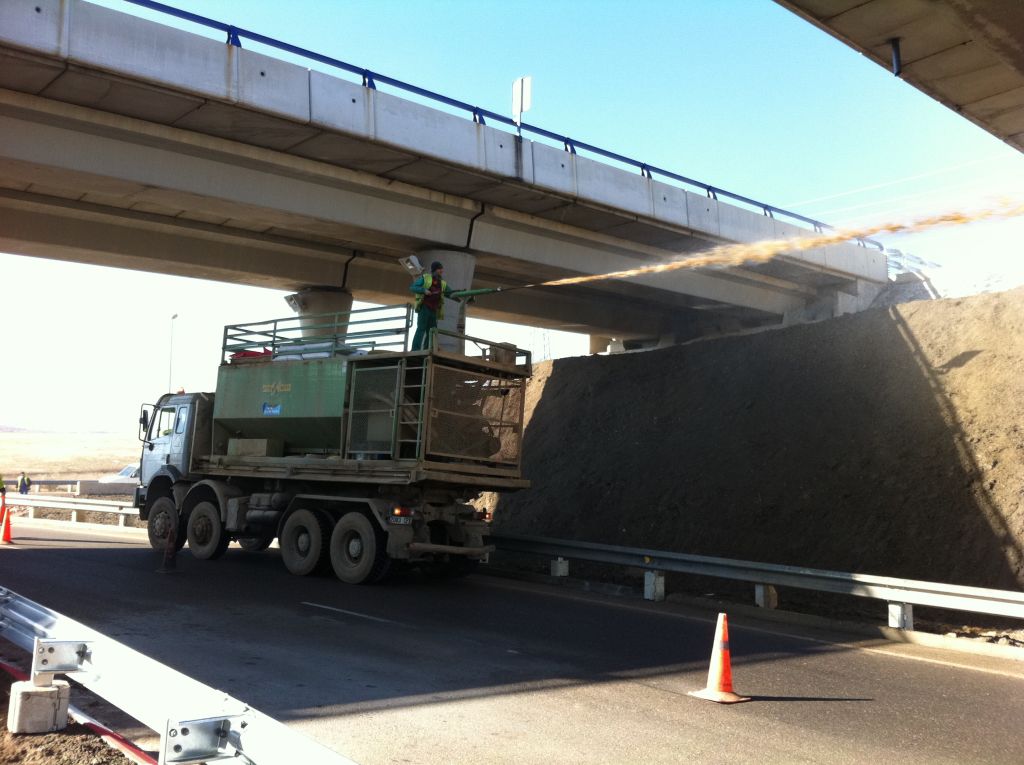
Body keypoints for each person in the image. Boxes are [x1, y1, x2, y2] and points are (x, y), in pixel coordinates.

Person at [409, 260, 459, 351]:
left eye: (441, 269)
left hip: (433, 310)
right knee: (421, 328)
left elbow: (450, 294)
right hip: (424, 307)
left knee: (432, 331)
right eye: (439, 269)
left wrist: (461, 298)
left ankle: (426, 349)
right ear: (434, 270)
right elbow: (413, 287)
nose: (441, 271)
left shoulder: (442, 283)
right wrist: (424, 290)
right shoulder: (426, 278)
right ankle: (415, 349)